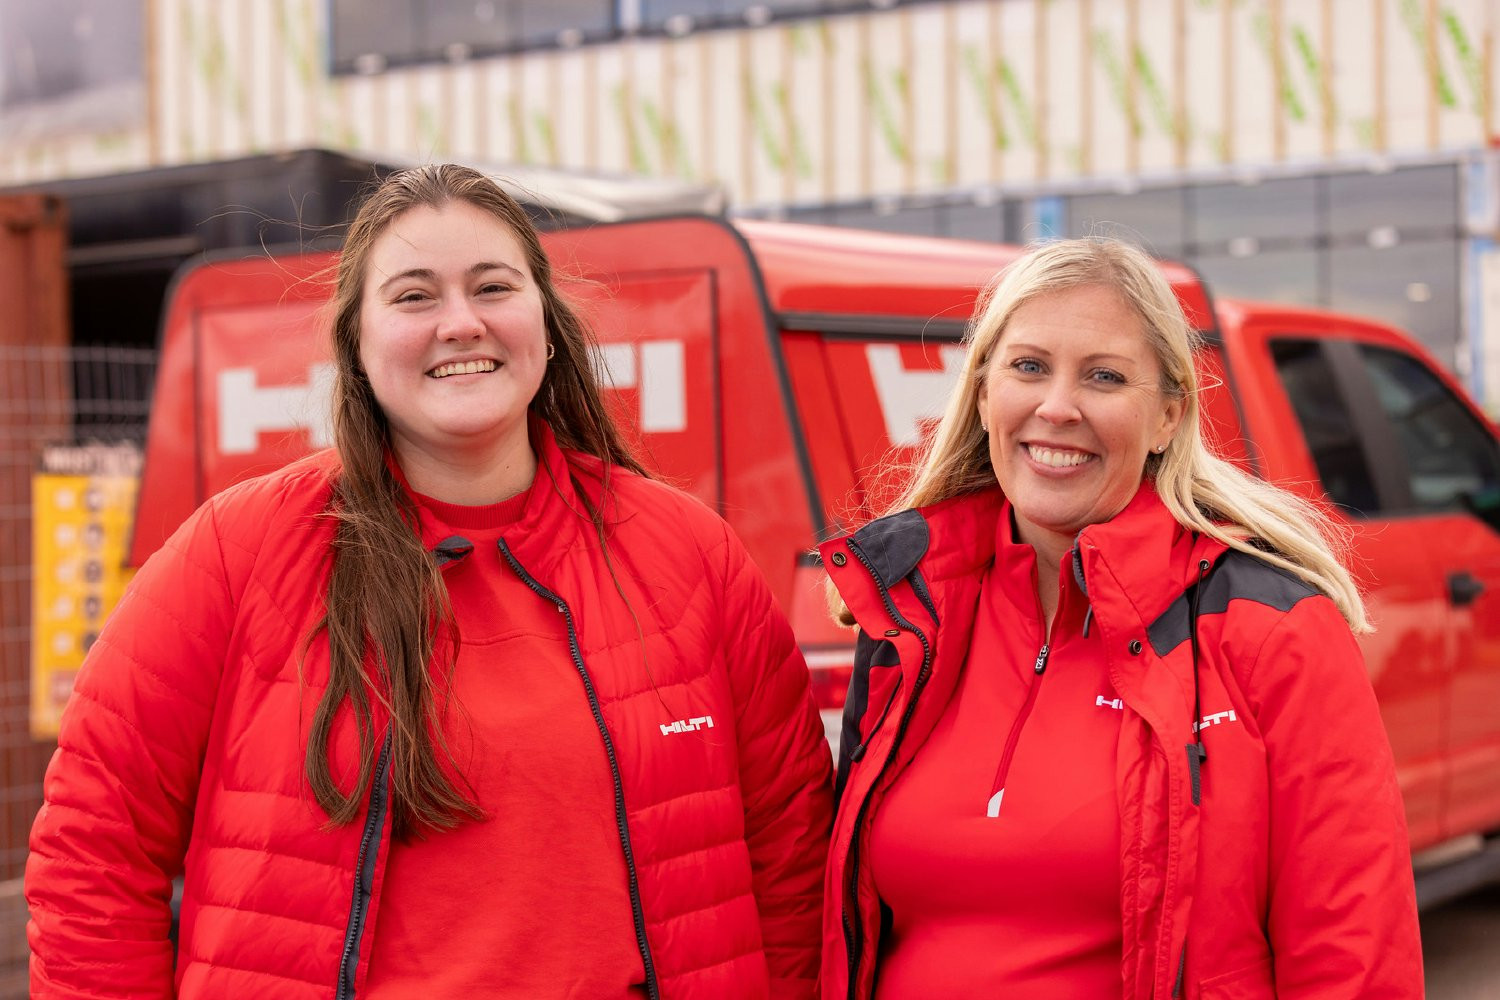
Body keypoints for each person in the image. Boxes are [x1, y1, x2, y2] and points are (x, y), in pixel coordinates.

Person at [27, 163, 833, 999]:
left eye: (493, 287)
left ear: (547, 325)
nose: (461, 323)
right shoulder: (235, 555)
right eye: (414, 297)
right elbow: (93, 848)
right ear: (358, 347)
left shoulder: (692, 555)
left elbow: (794, 856)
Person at [818, 237, 1422, 999]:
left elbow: (1353, 955)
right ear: (980, 392)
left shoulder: (1269, 624)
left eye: (1104, 377)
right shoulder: (910, 613)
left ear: (1168, 416)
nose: (1057, 407)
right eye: (1028, 366)